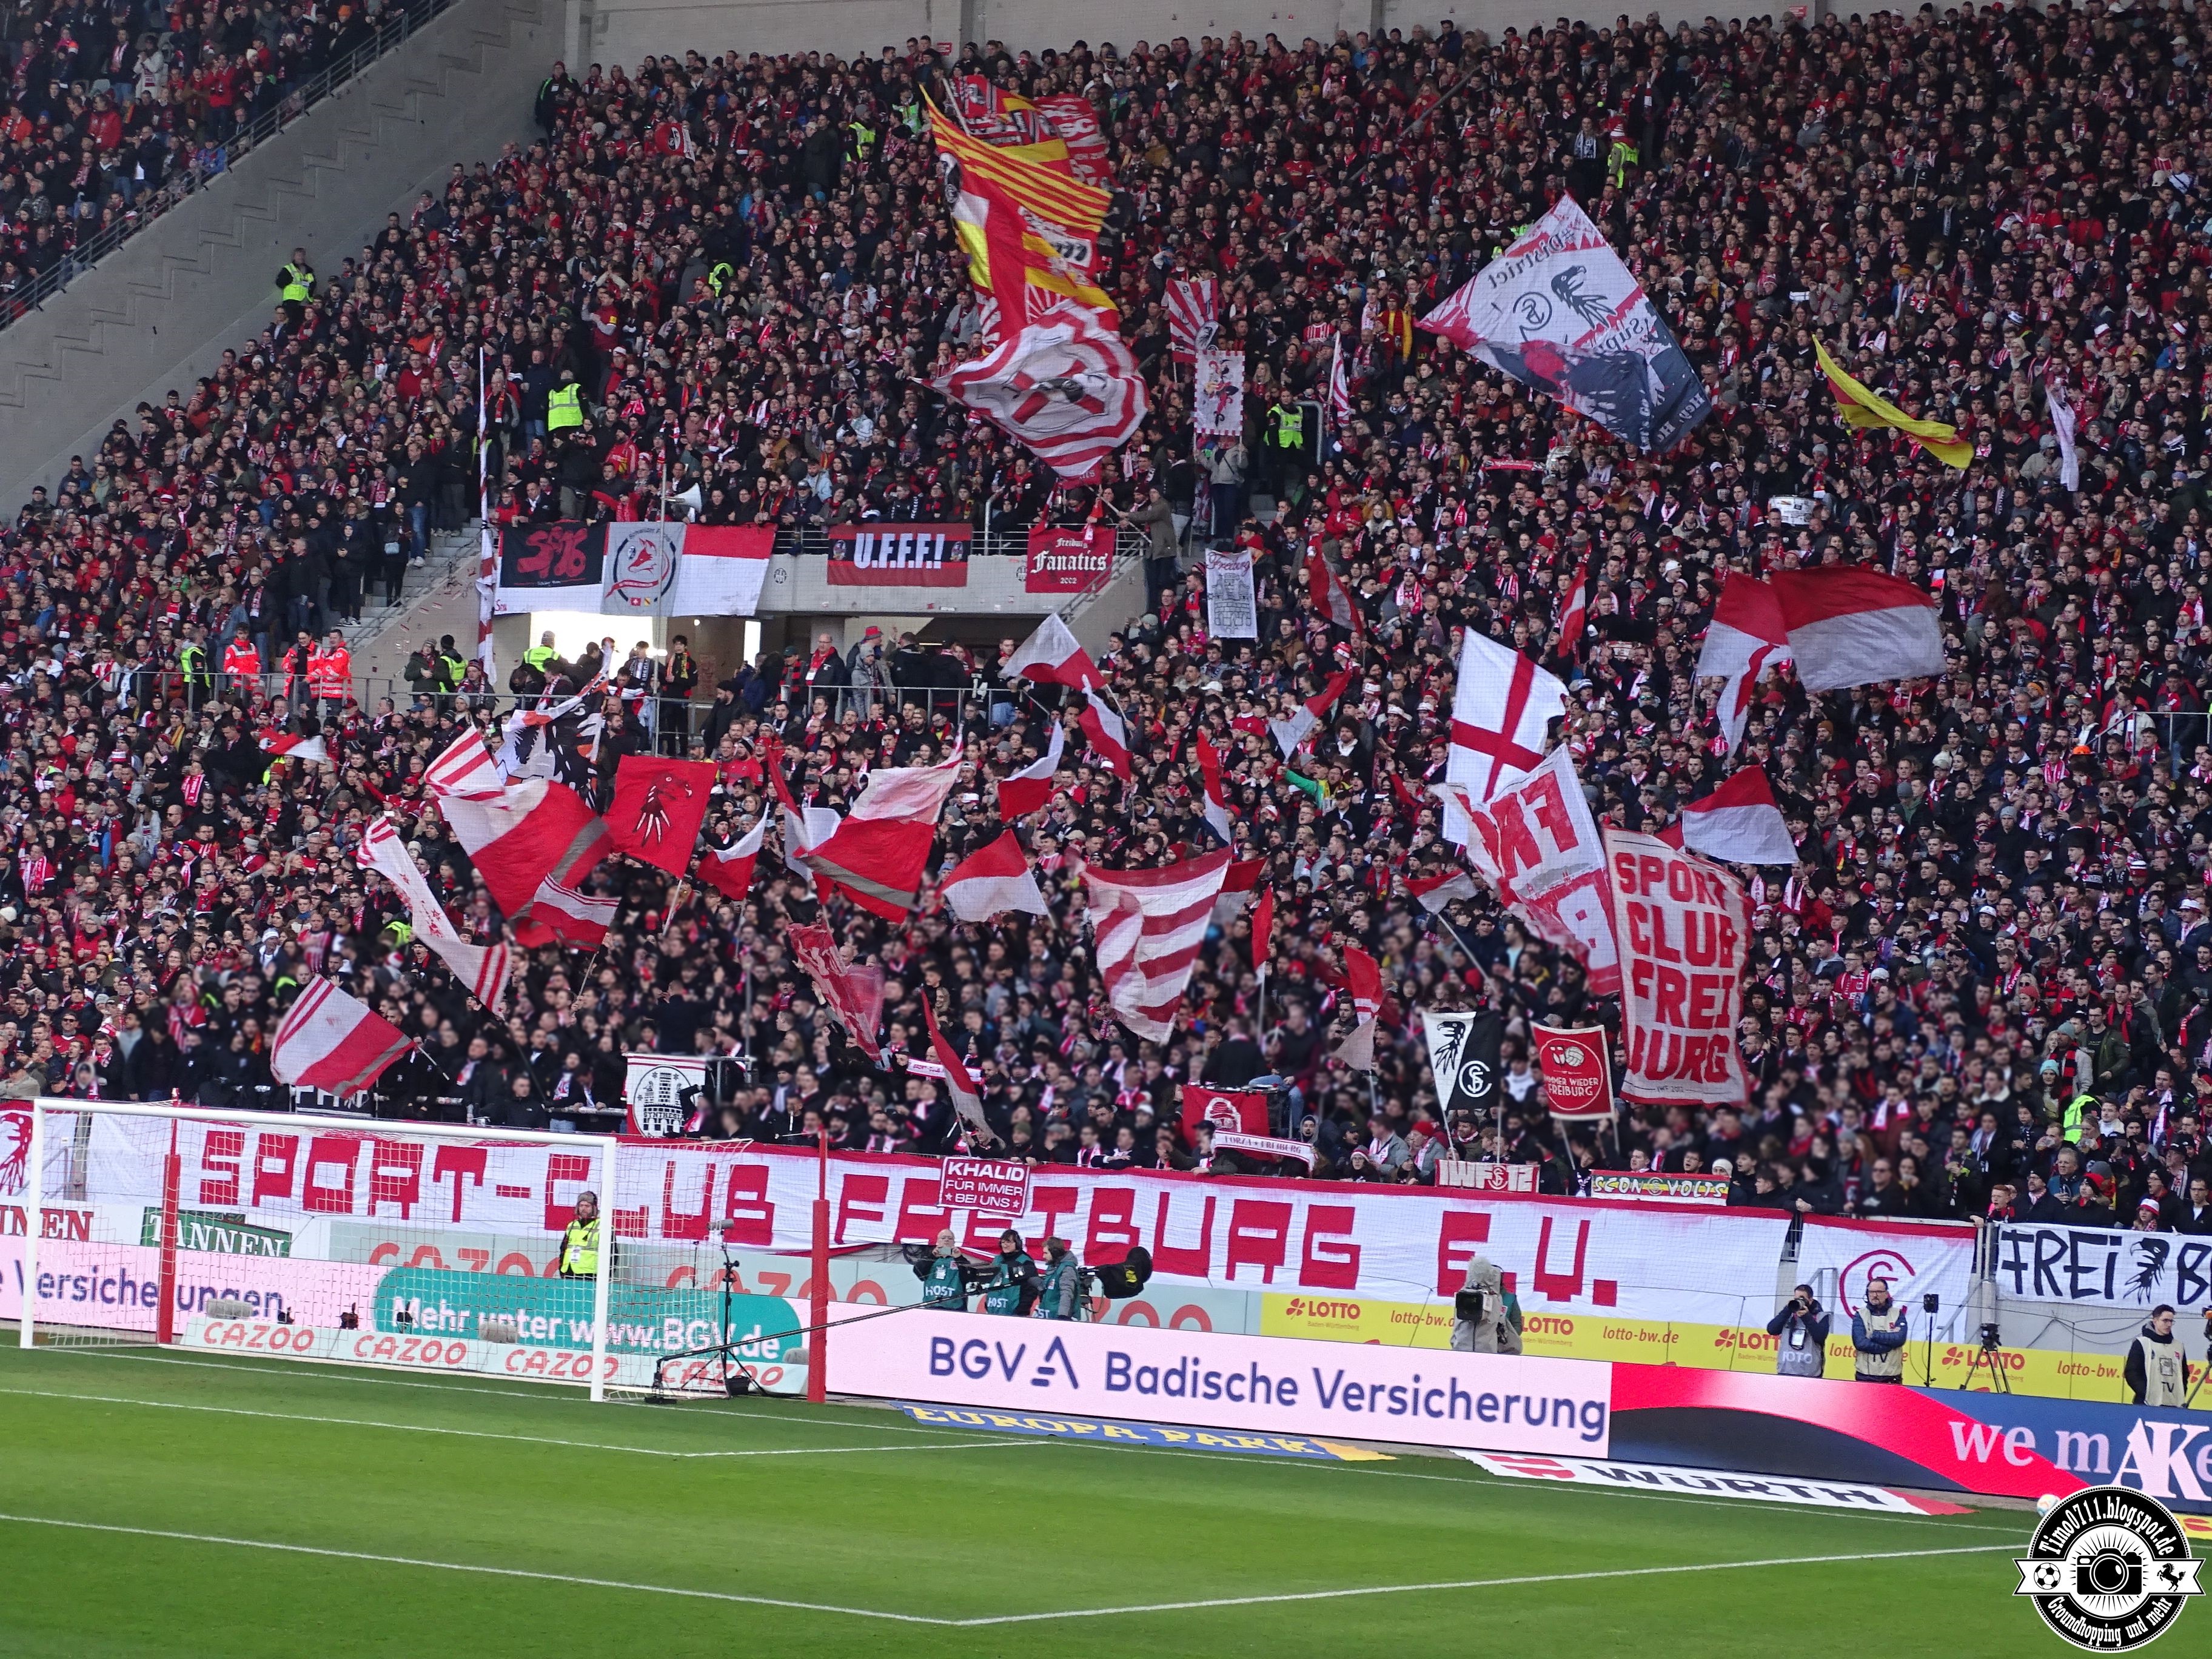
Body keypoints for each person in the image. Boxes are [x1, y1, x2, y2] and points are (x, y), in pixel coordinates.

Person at [1450, 1255, 1522, 1353]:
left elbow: (1515, 1325)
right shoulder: (1494, 1299)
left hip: (1466, 1349)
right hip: (1482, 1351)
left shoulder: (1506, 1298)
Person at [2123, 1305, 2188, 1407]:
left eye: (2171, 1321)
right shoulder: (2142, 1343)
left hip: (2173, 1405)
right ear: (2155, 1321)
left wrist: (2180, 1394)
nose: (2169, 1324)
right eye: (2165, 1321)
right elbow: (2132, 1372)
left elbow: (2184, 1375)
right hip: (2147, 1404)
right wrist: (2147, 1393)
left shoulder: (2178, 1346)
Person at [1849, 1278, 1909, 1384]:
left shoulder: (1898, 1314)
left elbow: (1900, 1339)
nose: (1875, 1295)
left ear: (1886, 1294)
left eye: (1879, 1292)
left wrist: (1874, 1335)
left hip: (1892, 1376)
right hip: (1865, 1375)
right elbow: (1860, 1344)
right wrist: (1889, 1346)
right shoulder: (1860, 1314)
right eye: (1871, 1292)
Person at [1766, 1283, 1831, 1378]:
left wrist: (1807, 1317)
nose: (1799, 1302)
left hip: (1810, 1373)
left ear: (1810, 1300)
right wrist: (1787, 1310)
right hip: (1786, 1370)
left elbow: (1820, 1337)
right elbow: (1772, 1330)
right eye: (1796, 1299)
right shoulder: (1788, 1314)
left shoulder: (1822, 1316)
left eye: (1802, 1299)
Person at [977, 1227, 1037, 1316]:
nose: (1005, 1245)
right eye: (1003, 1242)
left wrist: (1022, 1309)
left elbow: (1031, 1288)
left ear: (1017, 1243)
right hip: (994, 1309)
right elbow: (992, 1281)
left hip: (1013, 1312)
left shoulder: (1024, 1261)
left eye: (1008, 1242)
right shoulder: (998, 1260)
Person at [912, 1227, 973, 1310]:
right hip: (932, 1305)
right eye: (943, 1238)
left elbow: (969, 1276)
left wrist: (959, 1258)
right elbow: (918, 1273)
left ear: (954, 1243)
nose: (946, 1240)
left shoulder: (959, 1260)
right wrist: (933, 1256)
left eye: (950, 1238)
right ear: (937, 1242)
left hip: (955, 1308)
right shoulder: (930, 1258)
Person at [1034, 1236, 1082, 1320]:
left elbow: (1066, 1294)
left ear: (1054, 1253)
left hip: (1058, 1318)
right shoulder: (1053, 1267)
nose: (1043, 1257)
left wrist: (1063, 1316)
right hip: (1046, 1315)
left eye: (1046, 1253)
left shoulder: (1067, 1269)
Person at [558, 1191, 600, 1280]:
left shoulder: (603, 1227)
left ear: (594, 1208)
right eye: (581, 1206)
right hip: (568, 1271)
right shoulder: (572, 1225)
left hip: (589, 1274)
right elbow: (563, 1249)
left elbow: (612, 1254)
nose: (583, 1209)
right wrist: (562, 1269)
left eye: (587, 1206)